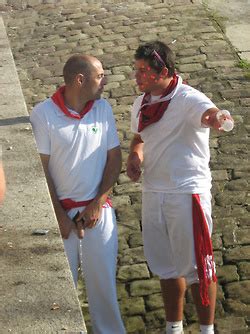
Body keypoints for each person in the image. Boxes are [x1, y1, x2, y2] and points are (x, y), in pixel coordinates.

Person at [126, 41, 234, 334]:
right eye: (135, 70)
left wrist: (217, 118)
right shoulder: (142, 103)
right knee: (165, 266)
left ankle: (206, 330)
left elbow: (208, 114)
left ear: (163, 70)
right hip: (153, 192)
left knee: (200, 267)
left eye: (143, 71)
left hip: (187, 194)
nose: (137, 77)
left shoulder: (188, 99)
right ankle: (173, 328)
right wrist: (135, 156)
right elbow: (139, 138)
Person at [30, 54, 125, 334]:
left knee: (104, 289)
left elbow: (115, 158)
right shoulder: (43, 115)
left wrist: (98, 203)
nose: (105, 81)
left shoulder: (103, 108)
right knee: (60, 294)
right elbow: (41, 170)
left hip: (98, 215)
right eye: (100, 76)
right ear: (79, 80)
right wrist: (59, 215)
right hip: (60, 220)